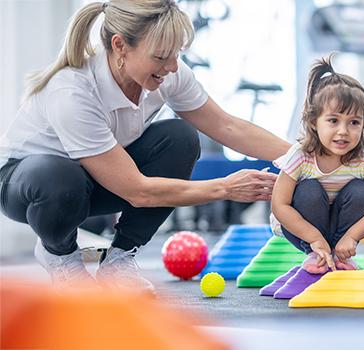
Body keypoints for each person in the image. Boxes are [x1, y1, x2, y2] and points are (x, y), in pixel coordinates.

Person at [0, 0, 290, 293]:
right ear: (120, 45)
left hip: (96, 179)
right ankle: (60, 255)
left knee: (180, 138)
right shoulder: (72, 92)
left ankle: (119, 261)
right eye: (162, 56)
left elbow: (228, 126)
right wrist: (225, 188)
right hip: (28, 185)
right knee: (59, 178)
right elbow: (137, 191)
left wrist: (306, 156)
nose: (173, 66)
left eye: (177, 54)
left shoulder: (170, 75)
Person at [270, 55, 364, 274]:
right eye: (333, 120)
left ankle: (338, 254)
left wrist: (351, 237)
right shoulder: (301, 155)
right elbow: (279, 205)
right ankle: (314, 253)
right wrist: (314, 239)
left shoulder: (363, 158)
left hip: (340, 227)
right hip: (301, 227)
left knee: (362, 190)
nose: (343, 131)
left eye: (354, 122)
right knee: (308, 189)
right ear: (313, 122)